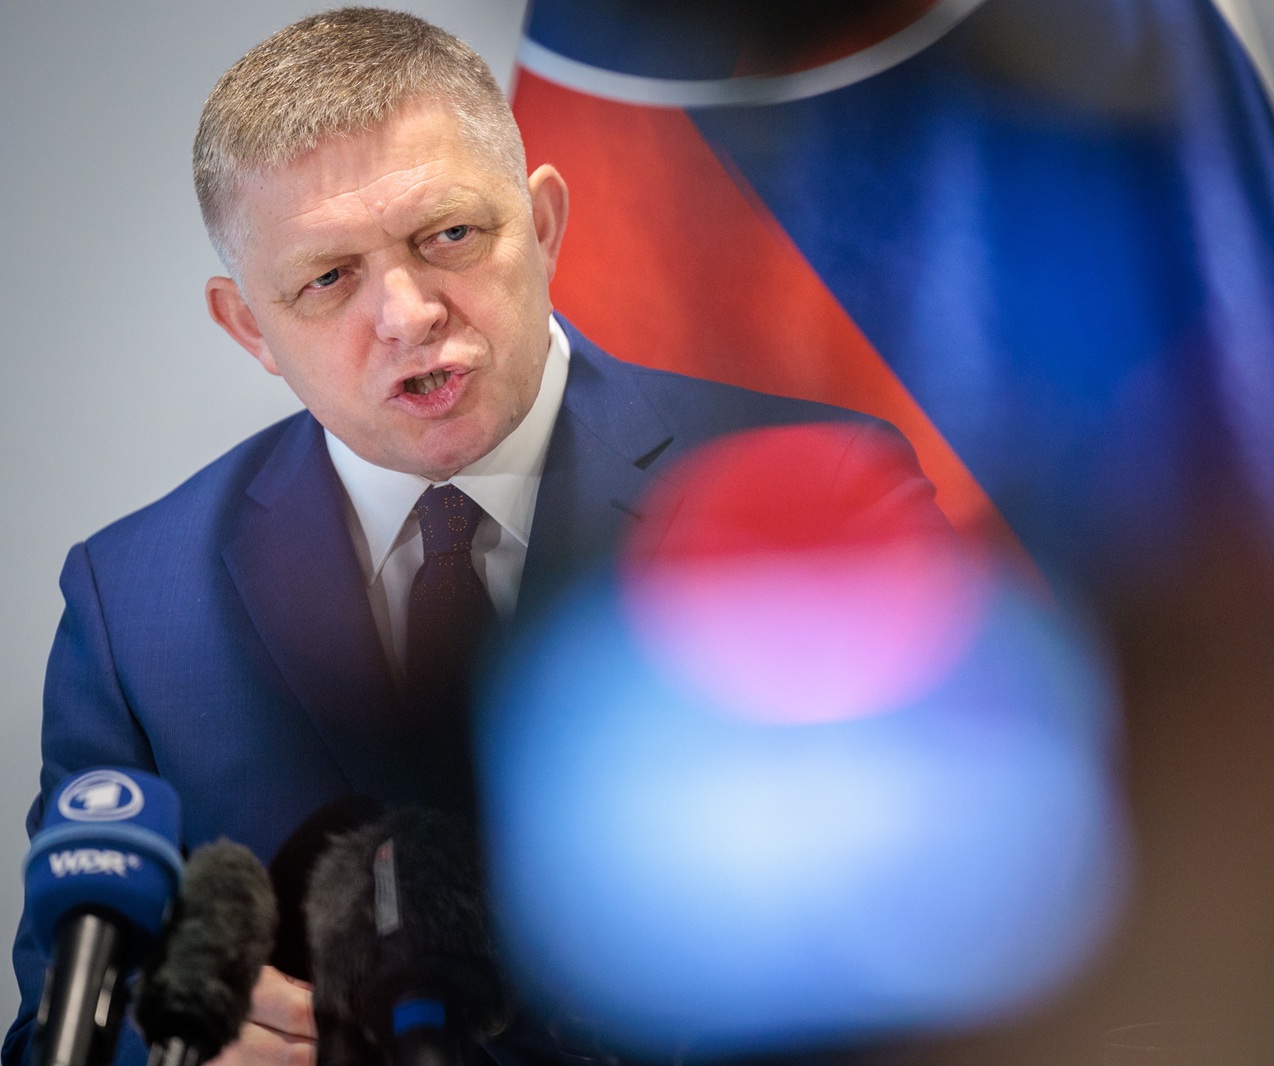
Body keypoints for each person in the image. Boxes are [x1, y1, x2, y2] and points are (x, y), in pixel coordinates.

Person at [4, 9, 937, 1066]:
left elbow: (975, 914)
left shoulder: (821, 491)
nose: (405, 312)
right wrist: (168, 1050)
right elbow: (52, 1029)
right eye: (328, 278)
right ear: (247, 328)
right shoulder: (135, 603)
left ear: (541, 223)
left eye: (447, 235)